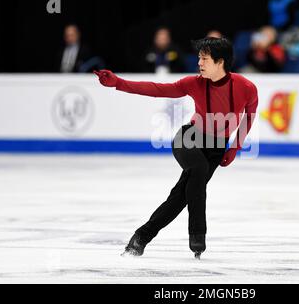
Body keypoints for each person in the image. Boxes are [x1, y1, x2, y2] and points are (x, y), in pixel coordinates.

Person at [94, 37, 258, 259]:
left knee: (180, 196)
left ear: (220, 62)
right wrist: (119, 83)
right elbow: (156, 89)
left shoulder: (246, 87)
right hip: (189, 138)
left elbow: (249, 115)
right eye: (199, 58)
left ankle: (141, 237)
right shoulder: (194, 83)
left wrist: (234, 147)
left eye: (205, 59)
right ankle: (198, 235)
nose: (199, 63)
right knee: (197, 171)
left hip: (217, 146)